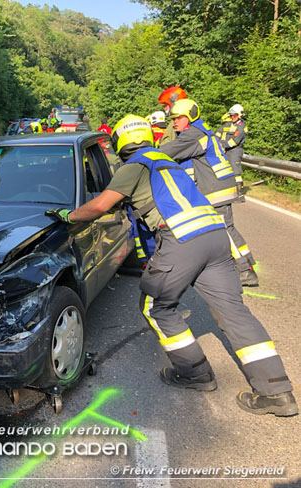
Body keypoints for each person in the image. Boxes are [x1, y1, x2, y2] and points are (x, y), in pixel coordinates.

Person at [45, 115, 297, 418]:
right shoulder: (167, 162)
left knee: (155, 306)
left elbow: (100, 205)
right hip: (217, 237)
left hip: (183, 239)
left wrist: (68, 216)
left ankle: (194, 372)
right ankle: (276, 391)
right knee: (234, 311)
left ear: (120, 143)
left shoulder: (134, 166)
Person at [159, 99, 258, 287]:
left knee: (225, 229)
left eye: (178, 118)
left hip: (215, 190)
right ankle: (232, 266)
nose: (174, 122)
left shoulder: (193, 135)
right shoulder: (199, 130)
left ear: (190, 117)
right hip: (214, 187)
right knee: (217, 230)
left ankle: (245, 270)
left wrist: (145, 152)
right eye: (172, 119)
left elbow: (167, 151)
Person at [216, 104, 248, 191]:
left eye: (234, 115)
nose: (232, 117)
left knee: (236, 171)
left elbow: (235, 141)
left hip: (235, 151)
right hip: (226, 151)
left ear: (239, 115)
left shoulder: (241, 126)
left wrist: (223, 145)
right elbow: (219, 134)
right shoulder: (229, 124)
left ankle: (239, 191)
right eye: (231, 115)